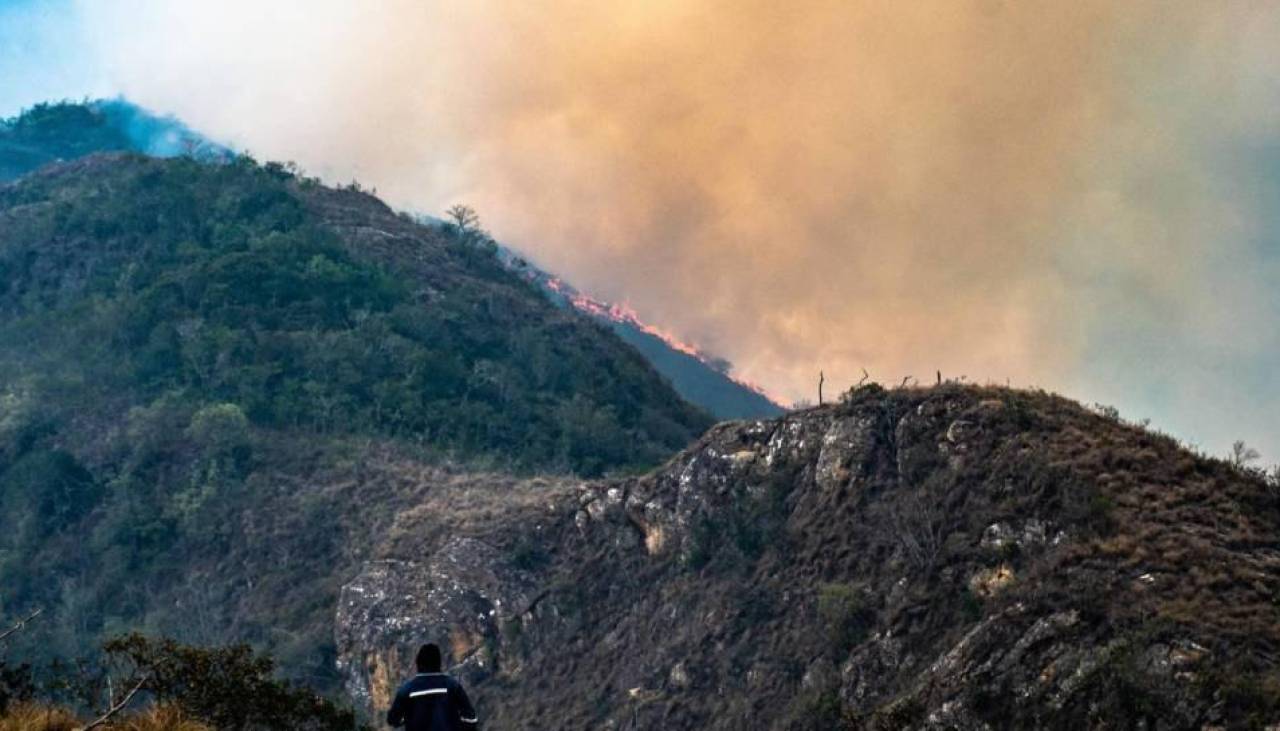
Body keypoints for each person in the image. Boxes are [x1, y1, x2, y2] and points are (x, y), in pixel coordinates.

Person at [386, 643, 479, 730]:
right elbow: (471, 720)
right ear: (439, 663)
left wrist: (409, 717)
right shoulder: (452, 686)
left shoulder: (406, 690)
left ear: (418, 663)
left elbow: (393, 720)